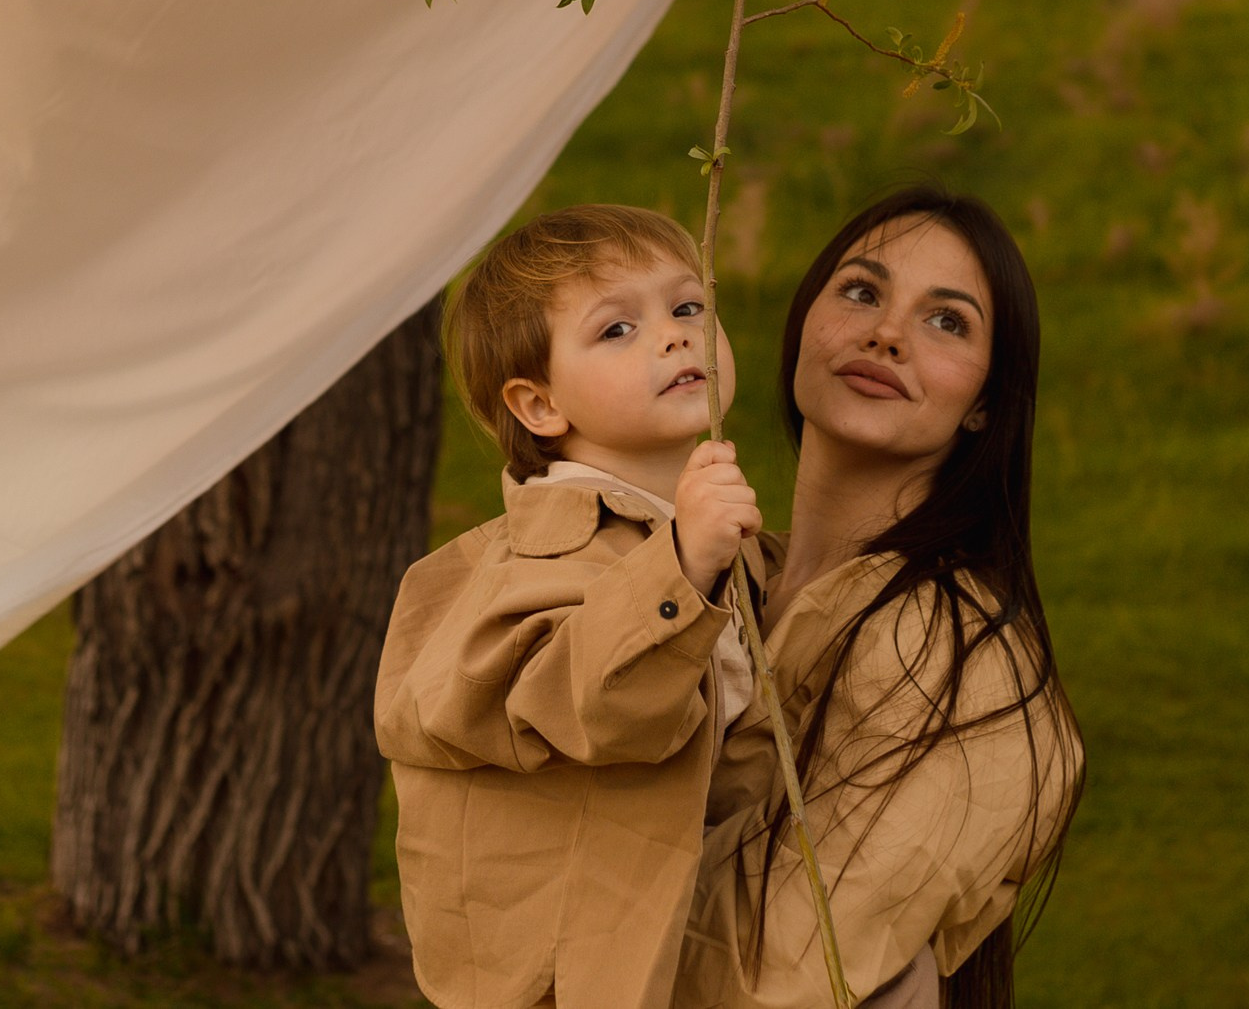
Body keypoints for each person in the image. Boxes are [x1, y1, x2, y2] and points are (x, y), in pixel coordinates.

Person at [677, 187, 1083, 1009]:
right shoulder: (706, 579)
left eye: (948, 321)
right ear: (802, 330)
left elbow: (788, 966)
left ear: (985, 407)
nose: (886, 332)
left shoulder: (966, 660)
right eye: (861, 291)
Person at [375, 204, 766, 1009]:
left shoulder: (710, 532)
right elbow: (595, 703)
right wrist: (685, 566)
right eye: (617, 329)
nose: (673, 334)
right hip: (562, 978)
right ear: (540, 406)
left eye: (688, 306)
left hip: (684, 940)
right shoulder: (540, 557)